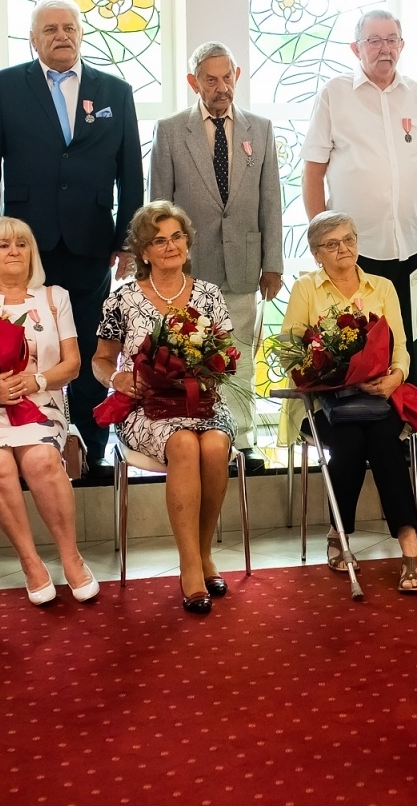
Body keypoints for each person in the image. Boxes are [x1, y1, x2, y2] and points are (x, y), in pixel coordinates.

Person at [0, 0, 144, 479]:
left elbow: (131, 172)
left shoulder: (115, 90)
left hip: (90, 241)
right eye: (50, 29)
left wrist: (128, 240)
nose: (60, 36)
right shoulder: (6, 86)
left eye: (69, 27)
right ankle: (27, 445)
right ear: (33, 38)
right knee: (23, 345)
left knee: (88, 347)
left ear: (81, 34)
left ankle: (88, 451)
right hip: (25, 245)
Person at [92, 202, 235, 615]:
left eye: (176, 237)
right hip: (146, 407)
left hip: (202, 400)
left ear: (188, 243)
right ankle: (190, 566)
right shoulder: (121, 300)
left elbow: (225, 354)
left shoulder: (209, 295)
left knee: (212, 445)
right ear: (144, 252)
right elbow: (100, 360)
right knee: (184, 446)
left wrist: (210, 369)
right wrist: (115, 378)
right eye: (159, 240)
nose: (170, 246)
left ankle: (204, 553)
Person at [0, 217, 96, 606]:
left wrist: (38, 382)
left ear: (32, 253)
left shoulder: (53, 297)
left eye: (21, 244)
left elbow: (73, 365)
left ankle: (71, 557)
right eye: (2, 245)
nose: (14, 251)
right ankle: (30, 563)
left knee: (43, 459)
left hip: (40, 402)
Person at [150, 42, 283, 460]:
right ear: (194, 82)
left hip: (245, 264)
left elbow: (270, 201)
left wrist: (273, 263)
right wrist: (159, 265)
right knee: (190, 353)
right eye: (211, 79)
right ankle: (196, 432)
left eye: (227, 78)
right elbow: (158, 206)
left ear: (237, 77)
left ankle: (241, 438)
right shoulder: (171, 130)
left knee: (240, 351)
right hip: (189, 269)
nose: (221, 87)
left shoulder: (259, 129)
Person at [302, 9, 417, 391]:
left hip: (412, 246)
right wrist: (321, 239)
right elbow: (313, 171)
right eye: (374, 40)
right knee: (355, 345)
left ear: (402, 45)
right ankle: (356, 434)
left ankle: (405, 435)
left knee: (407, 342)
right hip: (353, 251)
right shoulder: (334, 94)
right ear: (356, 48)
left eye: (391, 40)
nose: (384, 49)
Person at [279, 212, 417, 592]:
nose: (344, 249)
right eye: (332, 244)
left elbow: (401, 348)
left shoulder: (382, 287)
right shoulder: (306, 289)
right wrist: (324, 370)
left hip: (380, 398)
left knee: (382, 442)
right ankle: (338, 533)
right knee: (350, 443)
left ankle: (409, 544)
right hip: (326, 403)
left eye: (349, 239)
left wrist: (394, 377)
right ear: (316, 254)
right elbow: (287, 352)